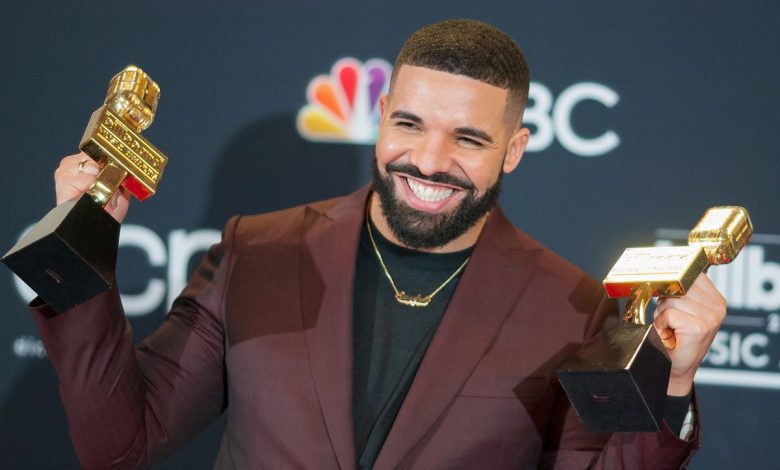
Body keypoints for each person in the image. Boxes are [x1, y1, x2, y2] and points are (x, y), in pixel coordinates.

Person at [35, 19, 725, 469]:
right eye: (410, 124)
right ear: (381, 115)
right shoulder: (259, 251)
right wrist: (79, 245)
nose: (428, 160)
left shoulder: (571, 306)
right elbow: (120, 443)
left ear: (514, 150)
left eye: (469, 138)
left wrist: (674, 382)